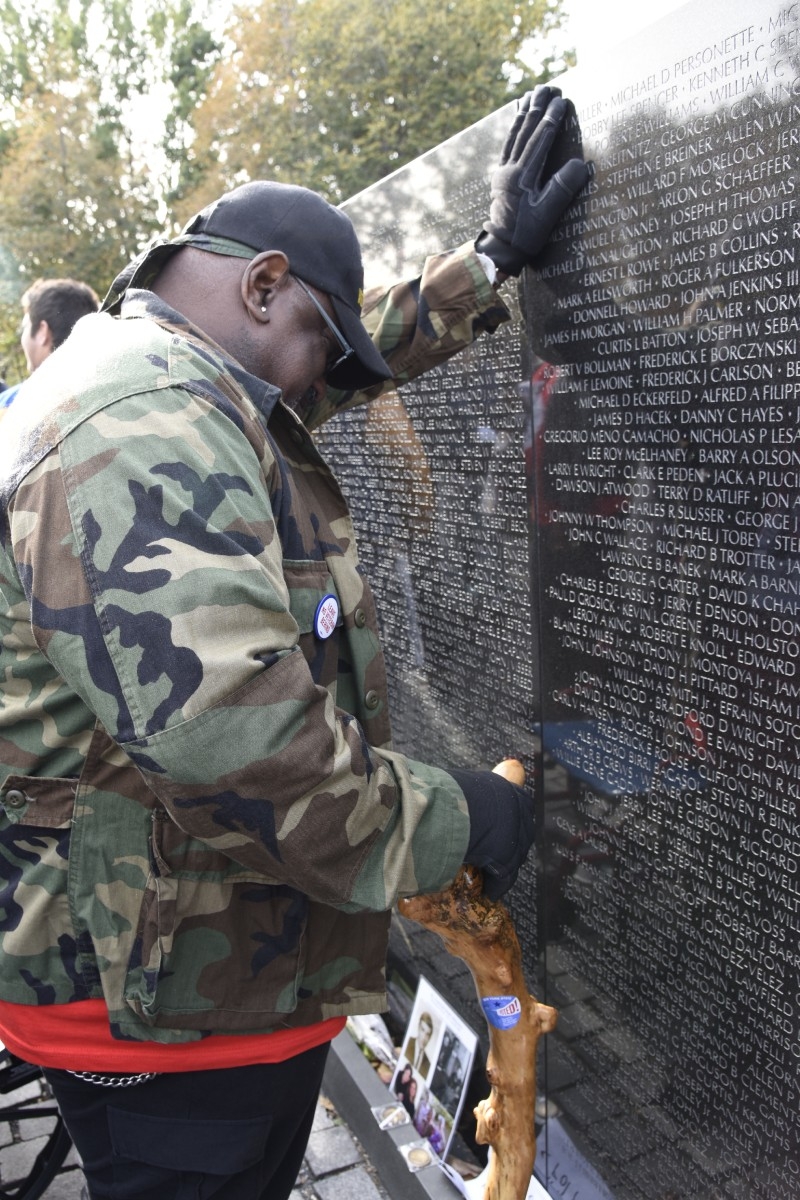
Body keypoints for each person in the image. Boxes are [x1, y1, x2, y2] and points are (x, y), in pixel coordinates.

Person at [0, 87, 589, 1200]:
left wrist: (486, 260)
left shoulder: (158, 377)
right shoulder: (142, 425)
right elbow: (250, 761)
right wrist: (471, 817)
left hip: (181, 981)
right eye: (318, 332)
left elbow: (337, 378)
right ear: (261, 283)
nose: (319, 378)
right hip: (159, 1016)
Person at [0, 277, 99, 414]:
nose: (23, 338)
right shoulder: (108, 391)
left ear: (42, 332)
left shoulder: (11, 406)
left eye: (25, 328)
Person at [405, 1010, 435, 1079]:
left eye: (427, 1034)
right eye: (422, 1030)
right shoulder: (407, 1042)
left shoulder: (428, 1065)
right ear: (418, 1027)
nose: (424, 1038)